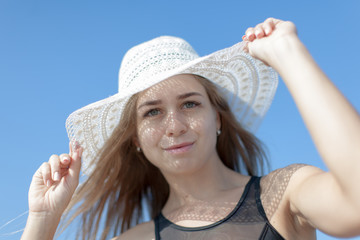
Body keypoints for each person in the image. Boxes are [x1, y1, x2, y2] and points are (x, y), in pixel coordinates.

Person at [21, 18, 360, 240]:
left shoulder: (283, 195)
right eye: (152, 112)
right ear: (136, 138)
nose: (174, 126)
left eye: (189, 104)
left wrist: (290, 54)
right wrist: (43, 219)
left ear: (219, 118)